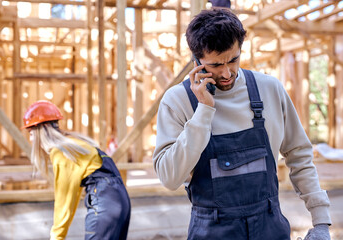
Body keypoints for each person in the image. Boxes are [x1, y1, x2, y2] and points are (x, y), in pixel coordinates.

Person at [153, 8, 331, 240]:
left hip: (270, 229)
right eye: (216, 65)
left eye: (234, 59)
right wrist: (204, 111)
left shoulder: (270, 89)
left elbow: (299, 155)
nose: (227, 73)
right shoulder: (177, 101)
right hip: (212, 232)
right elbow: (169, 177)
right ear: (197, 61)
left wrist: (321, 223)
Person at [22, 100, 131, 240]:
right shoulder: (75, 143)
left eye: (31, 133)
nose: (31, 139)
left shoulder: (61, 152)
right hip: (120, 200)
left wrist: (57, 236)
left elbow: (65, 199)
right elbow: (74, 190)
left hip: (105, 203)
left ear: (41, 130)